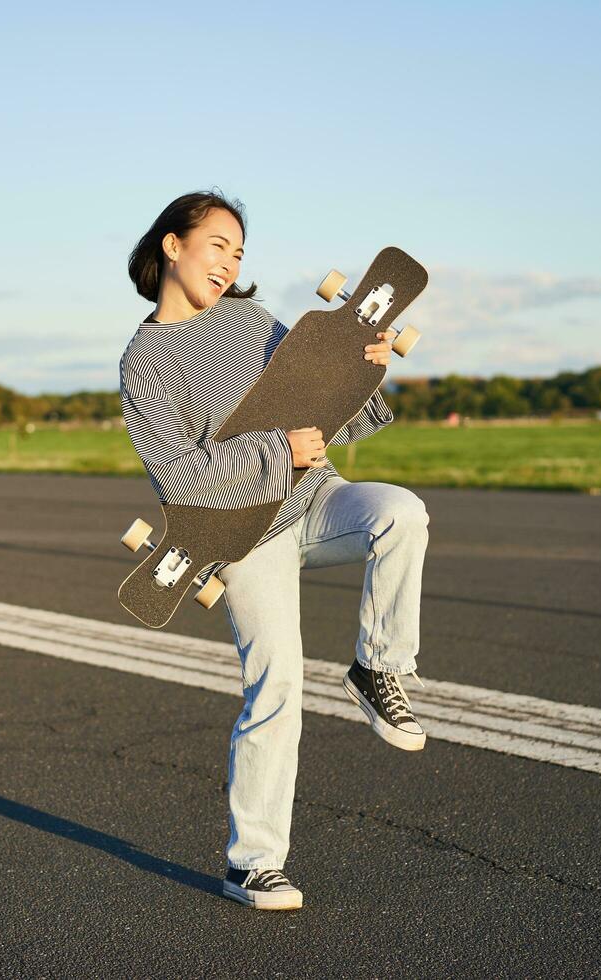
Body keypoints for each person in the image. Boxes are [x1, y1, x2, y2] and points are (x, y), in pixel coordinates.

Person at [119, 190, 430, 912]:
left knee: (401, 514)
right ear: (173, 245)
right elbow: (181, 475)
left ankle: (377, 669)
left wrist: (368, 373)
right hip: (241, 533)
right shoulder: (145, 363)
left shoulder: (253, 321)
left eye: (238, 253)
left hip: (316, 500)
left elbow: (322, 408)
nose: (228, 263)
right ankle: (253, 865)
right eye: (217, 245)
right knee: (277, 689)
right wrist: (273, 450)